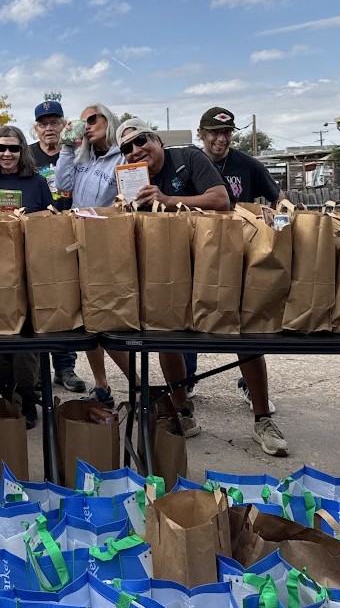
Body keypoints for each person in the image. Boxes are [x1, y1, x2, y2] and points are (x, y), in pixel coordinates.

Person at [115, 117, 233, 440]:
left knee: (246, 339)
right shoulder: (131, 180)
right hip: (165, 267)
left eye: (142, 141)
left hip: (211, 263)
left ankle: (262, 414)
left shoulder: (188, 158)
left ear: (158, 140)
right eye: (127, 148)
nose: (136, 150)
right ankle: (181, 408)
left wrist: (167, 201)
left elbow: (222, 201)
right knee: (163, 331)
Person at [56, 103, 137, 408]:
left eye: (93, 119)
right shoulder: (82, 159)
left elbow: (131, 200)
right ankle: (101, 384)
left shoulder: (123, 156)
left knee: (106, 321)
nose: (87, 125)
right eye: (82, 122)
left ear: (109, 120)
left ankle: (137, 384)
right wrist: (67, 145)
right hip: (79, 243)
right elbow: (63, 185)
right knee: (88, 323)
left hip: (108, 246)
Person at [0, 125, 51, 429]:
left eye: (14, 148)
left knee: (27, 344)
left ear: (24, 151)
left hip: (31, 270)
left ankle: (28, 400)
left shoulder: (37, 183)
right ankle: (7, 396)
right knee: (0, 341)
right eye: (1, 148)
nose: (7, 154)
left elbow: (50, 221)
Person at [28, 100, 88, 394]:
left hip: (72, 229)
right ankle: (39, 368)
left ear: (65, 125)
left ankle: (65, 367)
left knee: (67, 300)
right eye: (43, 123)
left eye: (55, 122)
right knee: (39, 299)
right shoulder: (26, 154)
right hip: (39, 233)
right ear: (36, 127)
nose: (49, 128)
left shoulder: (79, 152)